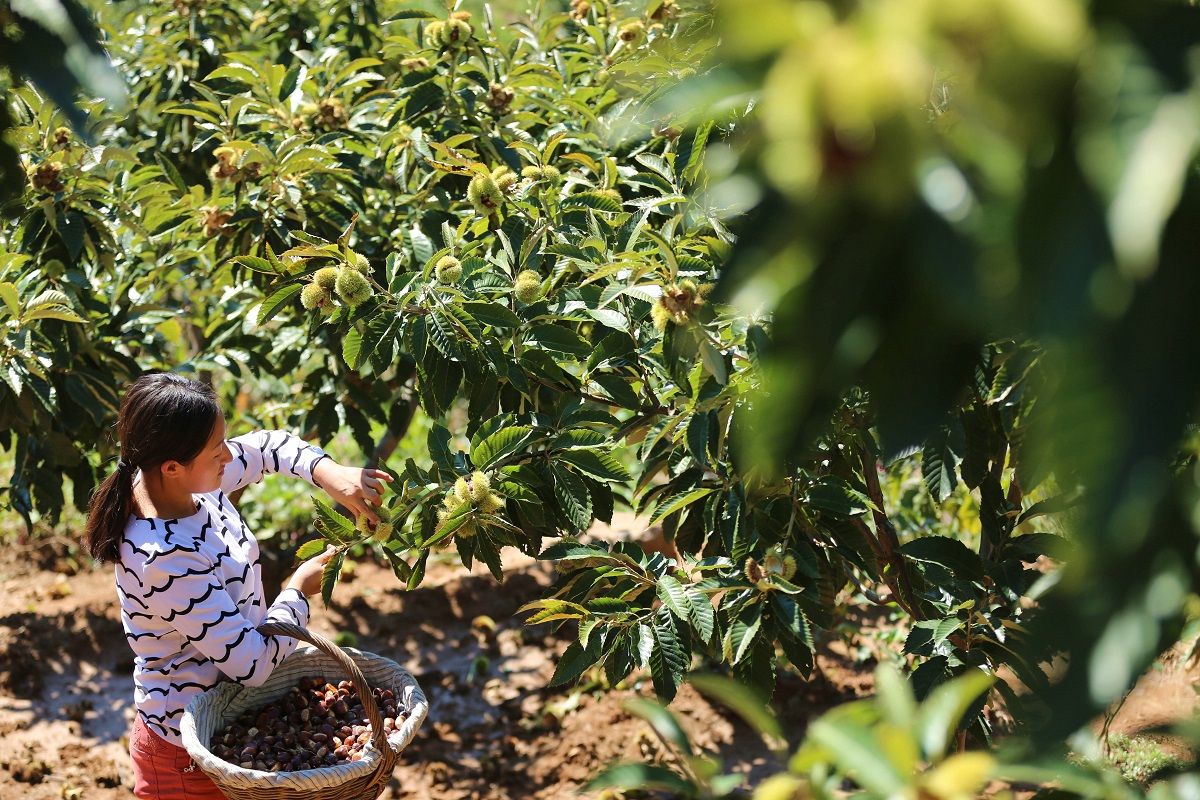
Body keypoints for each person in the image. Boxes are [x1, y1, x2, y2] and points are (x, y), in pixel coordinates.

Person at [83, 372, 393, 800]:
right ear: (173, 467)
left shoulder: (182, 486)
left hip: (233, 724)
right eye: (217, 451)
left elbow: (270, 448)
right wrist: (298, 592)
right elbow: (252, 662)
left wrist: (331, 473)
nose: (229, 455)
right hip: (189, 755)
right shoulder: (163, 556)